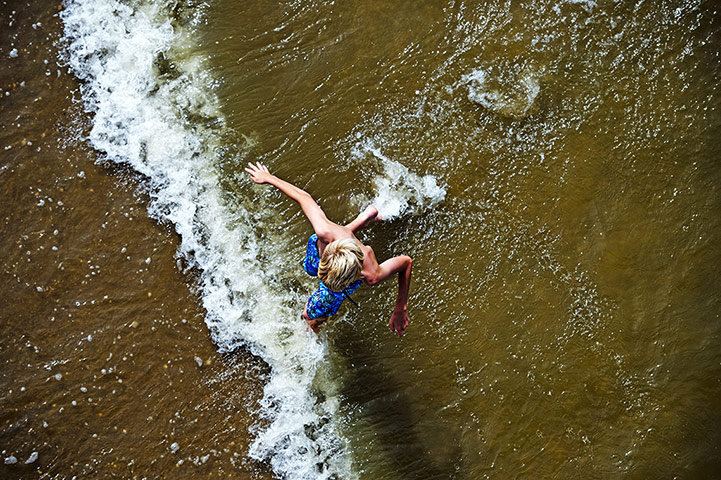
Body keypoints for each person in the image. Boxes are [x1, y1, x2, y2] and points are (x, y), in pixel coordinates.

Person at [244, 162, 413, 336]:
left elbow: (406, 262)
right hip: (325, 246)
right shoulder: (324, 232)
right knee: (311, 268)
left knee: (310, 314)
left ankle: (362, 220)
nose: (322, 279)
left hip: (342, 251)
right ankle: (361, 220)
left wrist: (401, 307)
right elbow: (304, 197)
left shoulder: (371, 274)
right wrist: (269, 178)